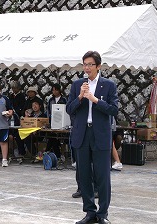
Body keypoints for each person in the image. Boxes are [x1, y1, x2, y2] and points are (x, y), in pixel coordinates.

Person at [66, 51, 118, 224]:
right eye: (84, 64)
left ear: (98, 66)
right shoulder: (77, 85)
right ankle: (89, 212)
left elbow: (113, 110)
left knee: (103, 176)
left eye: (90, 64)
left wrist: (95, 100)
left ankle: (103, 214)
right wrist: (80, 97)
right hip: (82, 134)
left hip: (100, 134)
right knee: (84, 176)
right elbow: (69, 109)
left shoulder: (108, 85)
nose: (87, 67)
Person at [46, 83, 67, 159]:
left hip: (62, 122)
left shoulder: (64, 99)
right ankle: (55, 155)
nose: (54, 92)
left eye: (55, 90)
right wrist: (49, 120)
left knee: (54, 138)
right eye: (53, 90)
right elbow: (48, 110)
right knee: (52, 136)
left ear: (59, 90)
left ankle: (48, 151)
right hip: (52, 121)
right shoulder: (51, 100)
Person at [8, 80, 26, 157]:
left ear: (19, 88)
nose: (14, 89)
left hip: (18, 117)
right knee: (10, 134)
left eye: (15, 88)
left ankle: (21, 151)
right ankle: (11, 151)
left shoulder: (22, 96)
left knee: (18, 135)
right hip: (11, 117)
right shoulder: (11, 96)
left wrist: (16, 111)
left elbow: (22, 107)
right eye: (12, 88)